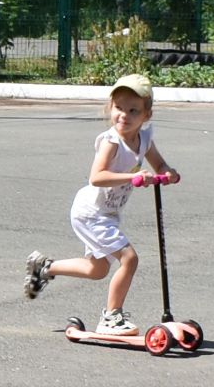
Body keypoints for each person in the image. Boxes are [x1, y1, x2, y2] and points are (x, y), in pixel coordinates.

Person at [23, 73, 178, 334]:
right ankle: (111, 317)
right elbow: (97, 177)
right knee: (129, 258)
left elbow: (158, 163)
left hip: (108, 213)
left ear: (146, 115)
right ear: (110, 108)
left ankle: (46, 267)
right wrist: (135, 176)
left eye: (133, 110)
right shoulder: (111, 141)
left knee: (97, 269)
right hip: (91, 212)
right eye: (118, 108)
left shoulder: (144, 138)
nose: (124, 116)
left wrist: (168, 171)